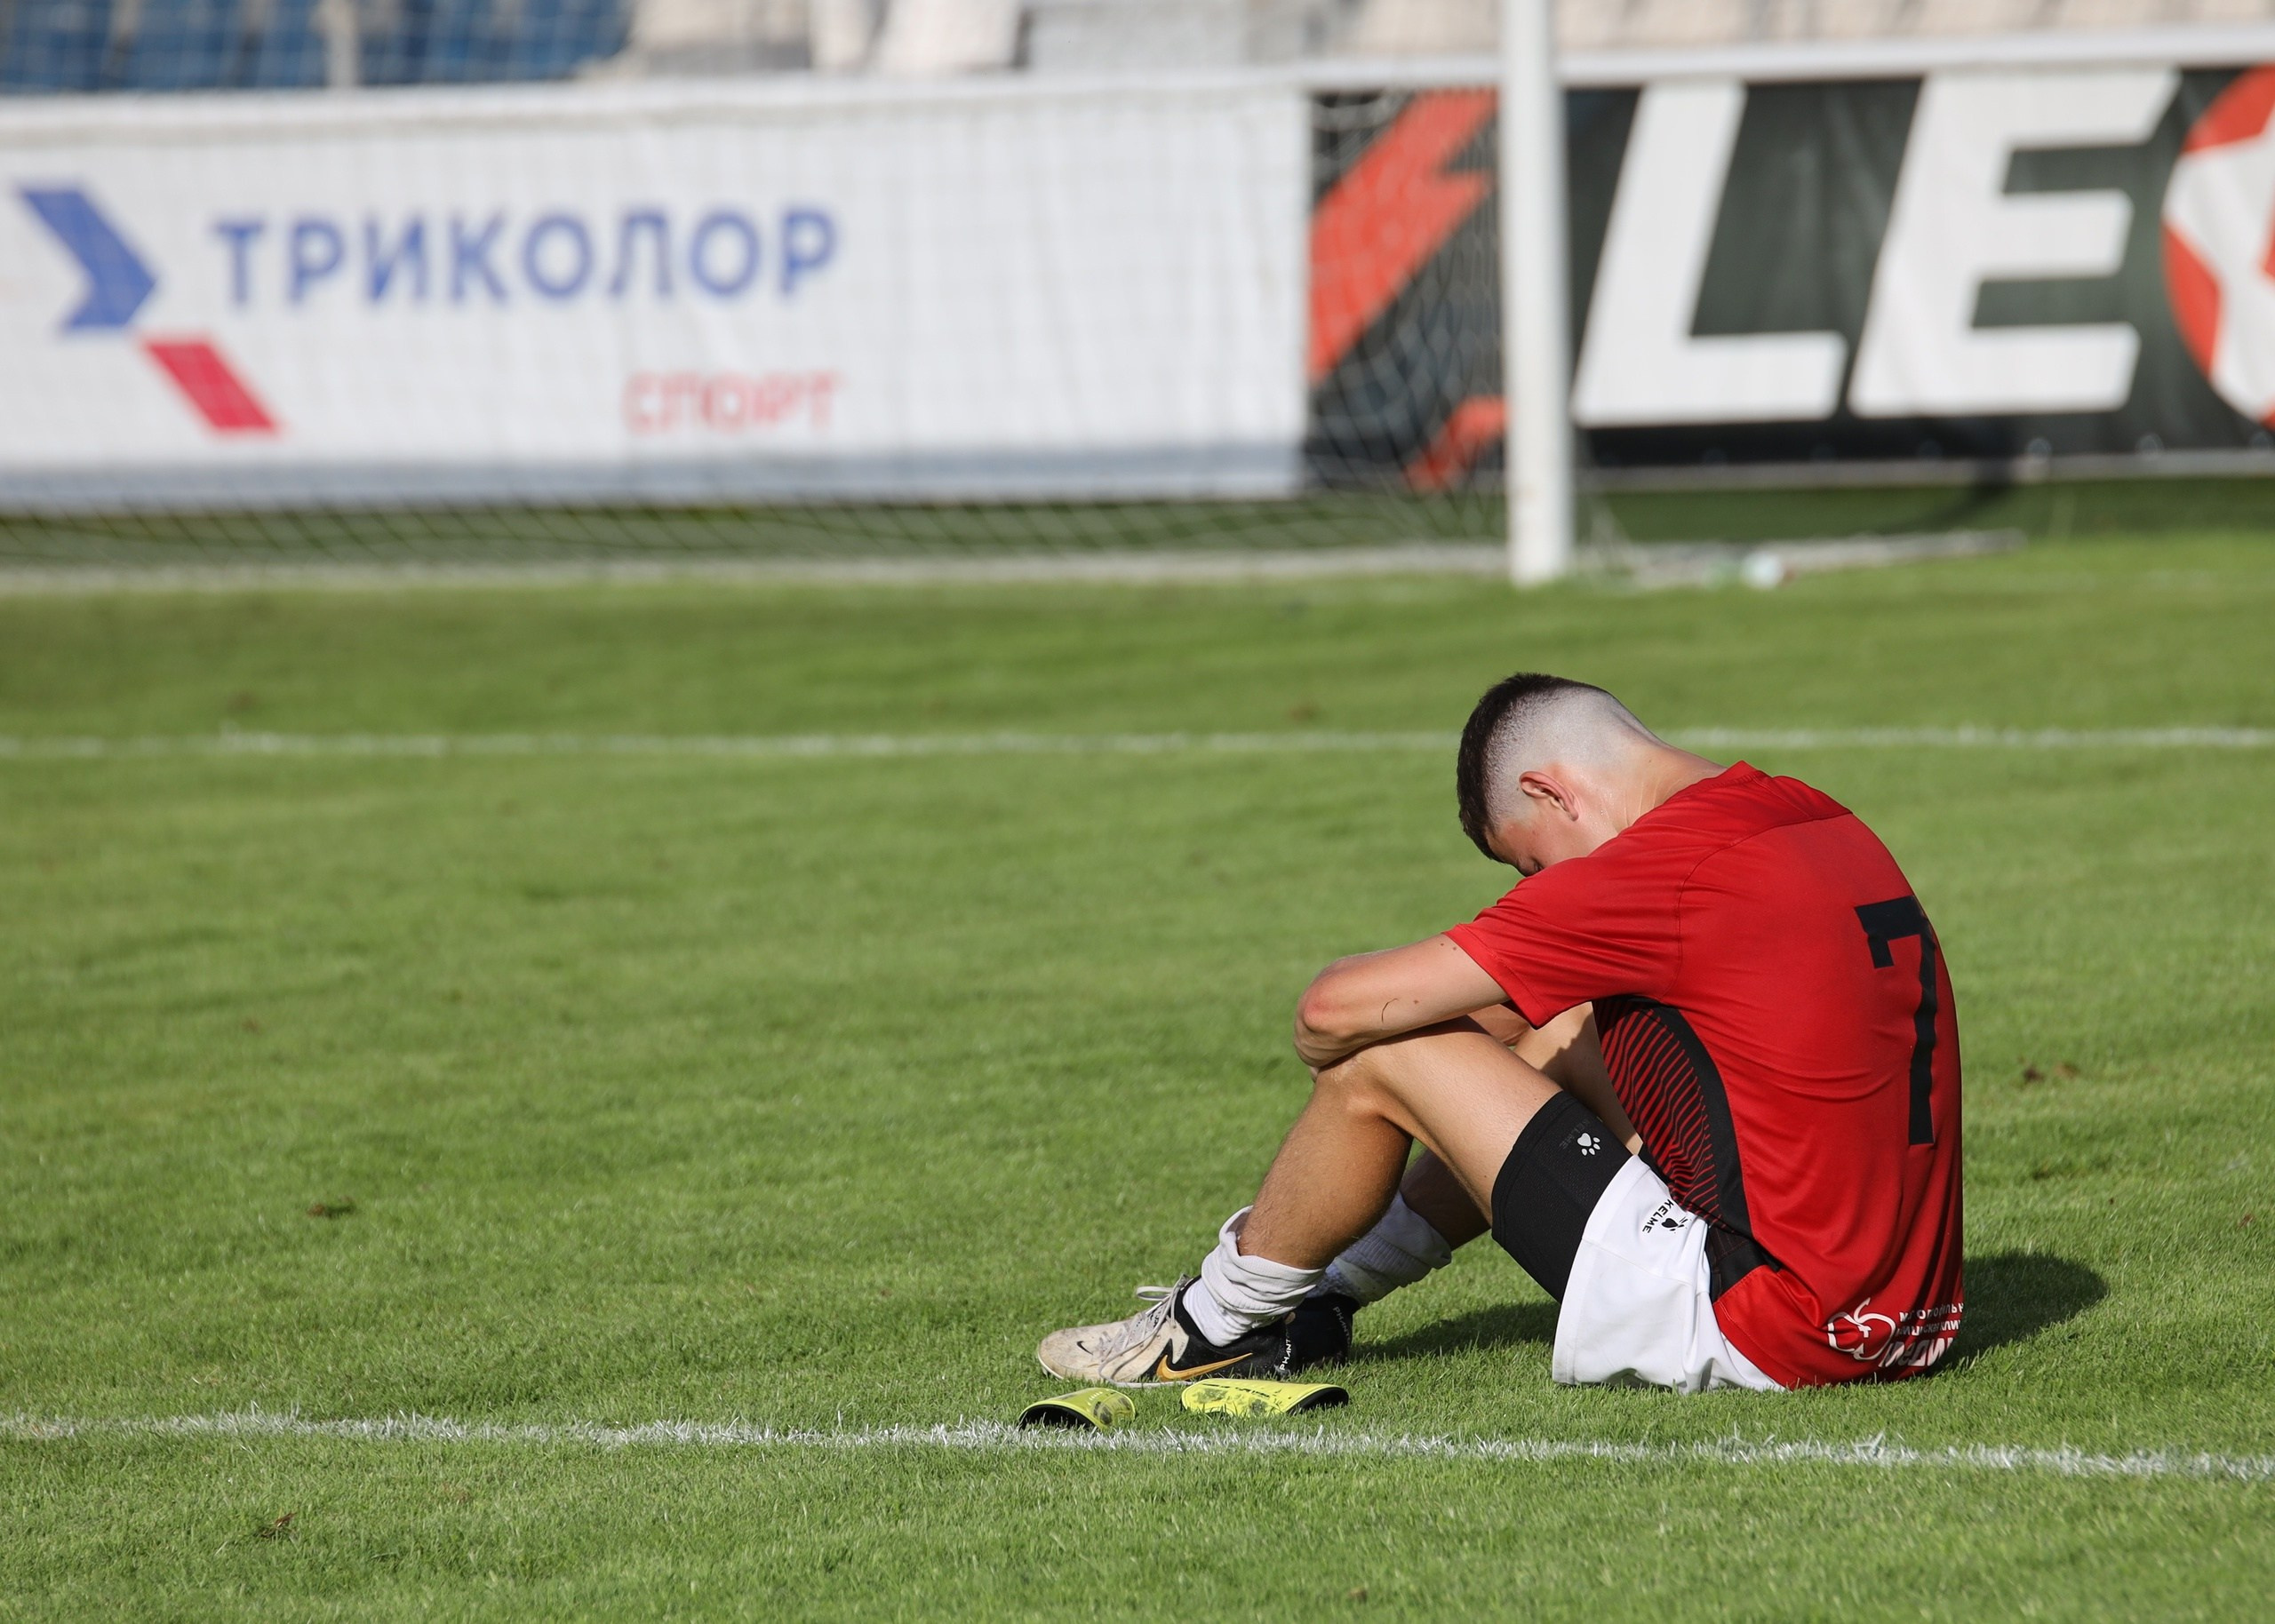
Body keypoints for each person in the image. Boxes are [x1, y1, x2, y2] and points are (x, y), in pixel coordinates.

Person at [1037, 673, 1963, 1393]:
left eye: (1528, 863)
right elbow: (1539, 1012)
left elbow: (1330, 1010)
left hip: (1770, 1324)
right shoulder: (1809, 811)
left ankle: (1203, 1332)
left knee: (1384, 1054)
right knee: (1571, 1025)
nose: (1534, 888)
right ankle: (1321, 1297)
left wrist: (1377, 1070)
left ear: (1548, 791)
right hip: (1903, 1313)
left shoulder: (1656, 868)